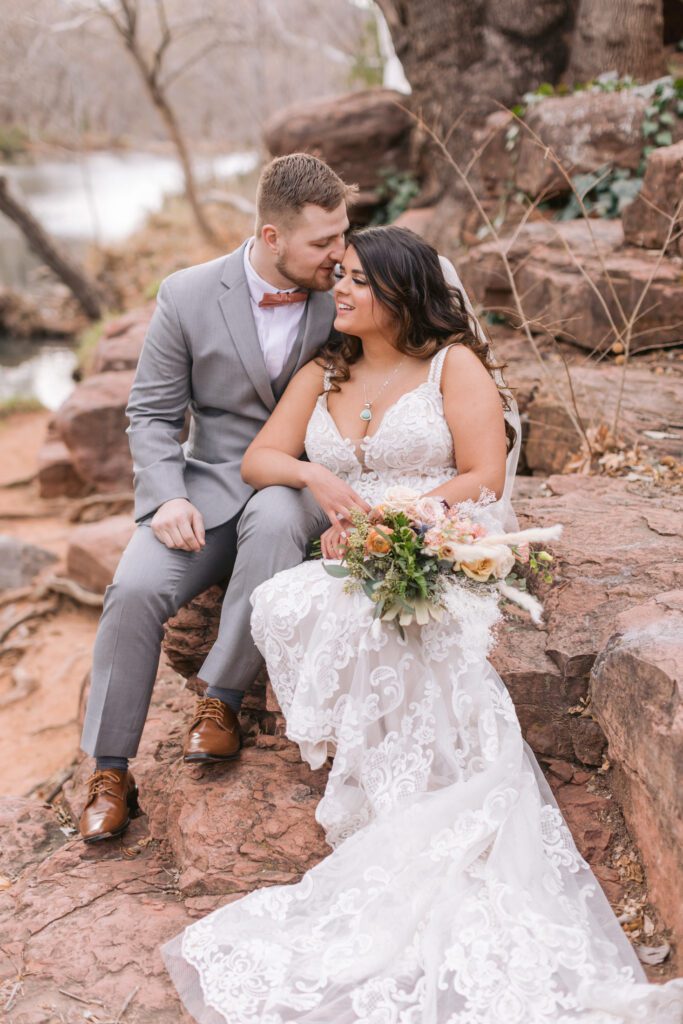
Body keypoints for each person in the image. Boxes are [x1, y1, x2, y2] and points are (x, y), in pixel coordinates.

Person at [161, 226, 683, 1023]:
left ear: (400, 295)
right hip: (359, 546)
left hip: (437, 536)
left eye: (358, 281)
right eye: (338, 275)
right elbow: (260, 461)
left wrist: (401, 523)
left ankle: (415, 814)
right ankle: (382, 788)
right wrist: (316, 477)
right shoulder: (325, 368)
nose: (338, 290)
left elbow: (478, 473)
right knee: (292, 600)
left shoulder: (452, 366)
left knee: (389, 625)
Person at [78, 153, 359, 843]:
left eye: (343, 234)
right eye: (322, 242)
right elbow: (149, 415)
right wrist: (166, 496)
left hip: (297, 483)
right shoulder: (187, 293)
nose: (338, 253)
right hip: (201, 490)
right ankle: (109, 771)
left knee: (270, 521)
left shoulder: (348, 293)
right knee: (134, 591)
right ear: (271, 238)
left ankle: (221, 702)